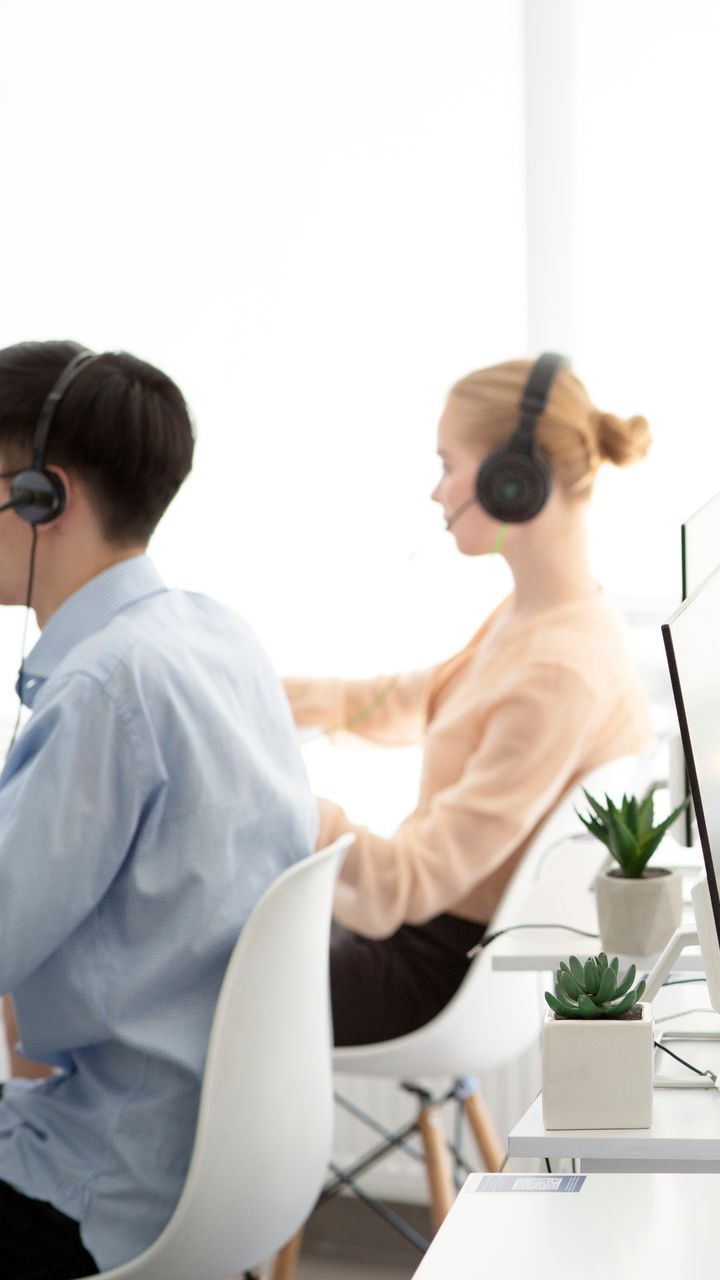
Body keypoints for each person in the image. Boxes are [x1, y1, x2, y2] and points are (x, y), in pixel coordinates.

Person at [0, 341, 315, 1277]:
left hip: (103, 1186)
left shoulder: (103, 689)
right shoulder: (214, 635)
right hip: (216, 1166)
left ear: (40, 498)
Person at [284, 355, 652, 1046]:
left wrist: (279, 800)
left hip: (427, 974)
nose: (435, 493)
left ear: (513, 480)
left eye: (447, 464)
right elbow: (428, 699)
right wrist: (267, 695)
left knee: (144, 961)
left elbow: (410, 883)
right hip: (429, 943)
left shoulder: (556, 671)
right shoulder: (555, 617)